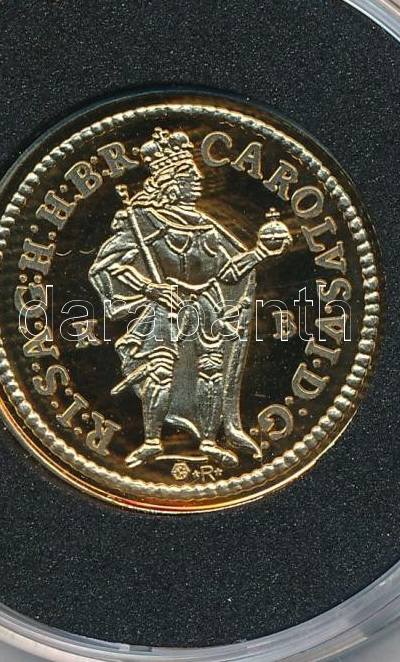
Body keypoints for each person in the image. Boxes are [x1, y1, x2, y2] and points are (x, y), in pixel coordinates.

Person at [89, 128, 289, 469]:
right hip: (165, 308)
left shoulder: (205, 225)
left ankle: (209, 442)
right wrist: (151, 289)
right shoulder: (143, 221)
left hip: (207, 308)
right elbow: (108, 266)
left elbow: (228, 272)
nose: (198, 179)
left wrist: (259, 253)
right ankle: (151, 442)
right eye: (188, 175)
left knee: (211, 372)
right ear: (170, 182)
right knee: (160, 371)